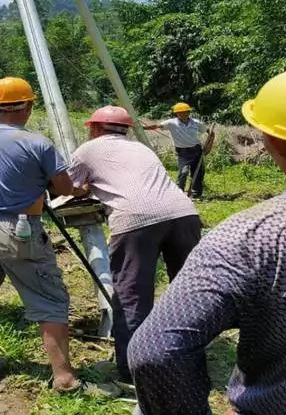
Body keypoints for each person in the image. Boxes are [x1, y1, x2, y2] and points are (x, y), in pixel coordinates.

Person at [128, 61, 286, 415]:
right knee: (187, 173)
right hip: (185, 155)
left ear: (274, 141)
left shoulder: (251, 235)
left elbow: (156, 349)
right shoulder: (174, 124)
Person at [0, 77, 90, 392]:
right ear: (29, 106)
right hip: (18, 229)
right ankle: (64, 377)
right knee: (50, 300)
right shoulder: (39, 144)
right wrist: (74, 187)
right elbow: (63, 189)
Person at [68, 105, 201, 386]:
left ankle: (133, 369)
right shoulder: (141, 148)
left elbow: (70, 187)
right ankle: (190, 355)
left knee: (132, 296)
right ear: (126, 129)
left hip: (136, 221)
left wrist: (89, 187)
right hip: (183, 214)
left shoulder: (87, 150)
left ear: (94, 128)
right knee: (188, 290)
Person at [145, 102, 209, 197]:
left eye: (185, 112)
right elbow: (157, 126)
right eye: (180, 112)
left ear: (188, 112)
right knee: (183, 172)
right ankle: (179, 194)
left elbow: (208, 131)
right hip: (183, 152)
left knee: (198, 172)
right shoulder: (171, 123)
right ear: (177, 114)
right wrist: (143, 128)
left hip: (196, 150)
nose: (182, 114)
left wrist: (209, 144)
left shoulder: (196, 123)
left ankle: (196, 194)